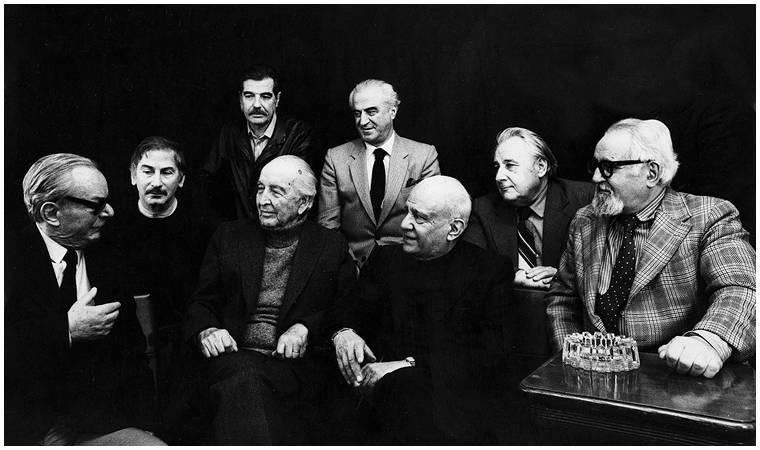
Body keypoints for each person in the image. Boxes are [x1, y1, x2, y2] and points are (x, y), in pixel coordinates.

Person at [546, 118, 755, 378]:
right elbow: (562, 299)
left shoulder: (709, 215)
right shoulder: (585, 220)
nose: (595, 177)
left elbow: (742, 288)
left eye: (608, 167)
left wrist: (708, 341)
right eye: (596, 166)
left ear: (652, 172)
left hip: (679, 381)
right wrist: (571, 358)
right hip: (593, 379)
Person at [328, 176, 513, 444]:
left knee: (406, 387)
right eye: (407, 212)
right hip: (373, 393)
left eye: (420, 217)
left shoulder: (489, 272)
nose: (405, 224)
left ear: (454, 229)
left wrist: (406, 365)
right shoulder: (386, 259)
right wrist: (344, 333)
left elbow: (490, 355)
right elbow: (346, 309)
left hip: (447, 402)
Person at [183, 155, 355, 444]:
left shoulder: (330, 246)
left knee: (250, 387)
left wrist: (305, 327)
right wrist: (207, 329)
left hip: (290, 368)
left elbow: (345, 309)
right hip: (232, 358)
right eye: (261, 188)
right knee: (244, 379)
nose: (263, 200)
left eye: (276, 191)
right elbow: (201, 301)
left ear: (305, 202)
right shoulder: (229, 236)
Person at [5, 153, 164, 445]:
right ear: (51, 213)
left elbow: (133, 354)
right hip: (22, 428)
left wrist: (144, 425)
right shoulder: (9, 258)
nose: (110, 212)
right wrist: (66, 330)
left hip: (96, 422)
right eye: (96, 205)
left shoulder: (110, 256)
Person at [107, 136, 212, 409]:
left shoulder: (201, 229)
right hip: (129, 344)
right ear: (133, 176)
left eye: (167, 172)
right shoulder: (114, 228)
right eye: (147, 171)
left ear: (182, 179)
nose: (156, 182)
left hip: (185, 342)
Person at [318, 79, 440, 268]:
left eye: (371, 111)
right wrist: (347, 267)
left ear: (393, 111)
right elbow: (328, 226)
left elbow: (431, 221)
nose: (362, 121)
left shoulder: (424, 156)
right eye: (357, 113)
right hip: (352, 266)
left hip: (407, 265)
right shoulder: (335, 158)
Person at [465, 127, 593, 289]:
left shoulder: (584, 199)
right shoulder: (483, 208)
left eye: (510, 165)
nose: (499, 177)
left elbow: (603, 265)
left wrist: (564, 276)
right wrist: (513, 275)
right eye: (497, 166)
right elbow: (470, 265)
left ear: (541, 167)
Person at [200, 64, 316, 221]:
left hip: (280, 227)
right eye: (249, 96)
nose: (256, 105)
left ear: (277, 99)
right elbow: (208, 184)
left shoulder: (297, 134)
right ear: (240, 100)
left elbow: (299, 193)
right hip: (239, 229)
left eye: (265, 96)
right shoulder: (229, 134)